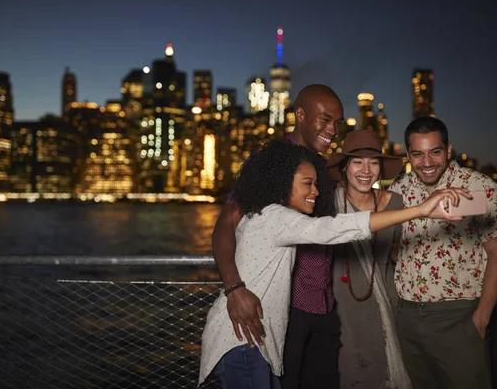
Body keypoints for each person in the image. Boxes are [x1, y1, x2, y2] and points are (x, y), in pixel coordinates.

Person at [199, 139, 469, 388]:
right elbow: (334, 228)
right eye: (307, 183)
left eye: (316, 183)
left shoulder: (267, 215)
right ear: (283, 182)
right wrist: (420, 210)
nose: (315, 192)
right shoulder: (276, 217)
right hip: (243, 340)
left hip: (249, 338)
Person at [211, 84, 345, 388]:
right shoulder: (270, 162)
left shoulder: (329, 167)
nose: (333, 129)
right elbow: (225, 224)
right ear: (300, 115)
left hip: (325, 307)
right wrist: (233, 287)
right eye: (325, 119)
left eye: (337, 122)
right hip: (286, 310)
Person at [388, 116, 497, 389]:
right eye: (417, 154)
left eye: (435, 152)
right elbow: (393, 248)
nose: (427, 162)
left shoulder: (480, 187)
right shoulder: (398, 190)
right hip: (407, 318)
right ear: (408, 154)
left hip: (459, 317)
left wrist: (481, 319)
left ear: (448, 150)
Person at [327, 130, 411, 388]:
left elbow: (396, 252)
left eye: (373, 162)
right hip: (340, 310)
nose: (366, 170)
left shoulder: (396, 202)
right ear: (344, 166)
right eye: (357, 162)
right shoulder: (328, 204)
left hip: (385, 305)